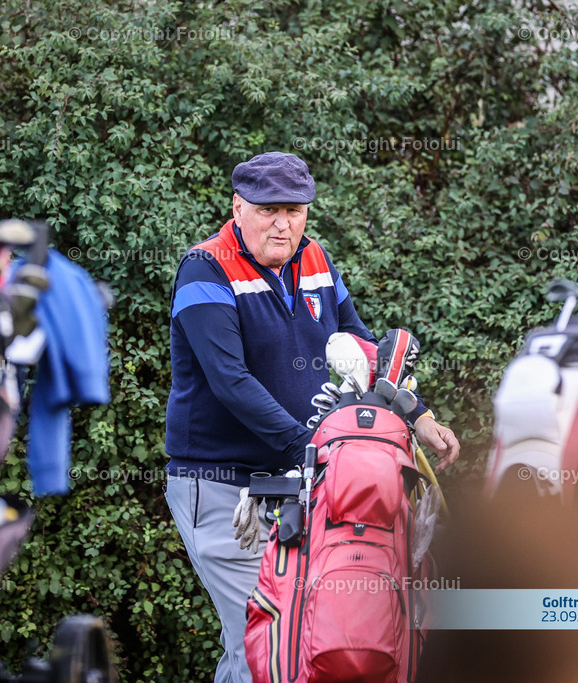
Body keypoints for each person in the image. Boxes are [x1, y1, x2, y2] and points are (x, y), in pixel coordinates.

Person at [164, 151, 460, 683]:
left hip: (304, 482)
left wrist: (416, 414)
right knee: (261, 645)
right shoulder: (204, 269)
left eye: (296, 210)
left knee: (305, 635)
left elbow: (363, 347)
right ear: (238, 206)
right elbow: (229, 381)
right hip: (223, 484)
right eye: (269, 209)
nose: (284, 223)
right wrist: (314, 447)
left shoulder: (315, 259)